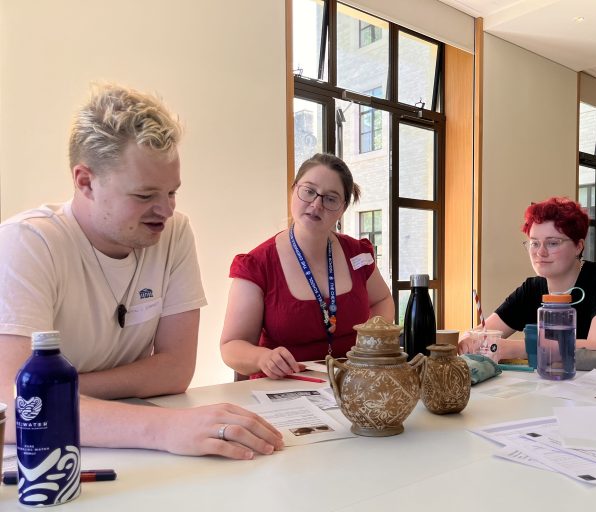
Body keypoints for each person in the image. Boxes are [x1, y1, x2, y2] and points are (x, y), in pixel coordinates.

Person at [0, 84, 283, 459]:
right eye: (145, 195)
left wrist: (59, 390)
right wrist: (166, 427)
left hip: (118, 443)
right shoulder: (28, 242)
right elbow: (17, 401)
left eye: (172, 192)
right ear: (85, 182)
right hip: (47, 456)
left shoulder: (174, 232)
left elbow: (176, 370)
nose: (165, 211)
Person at [220, 153, 395, 379]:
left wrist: (371, 341)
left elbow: (382, 300)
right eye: (309, 191)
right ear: (293, 190)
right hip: (285, 390)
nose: (316, 204)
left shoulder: (358, 254)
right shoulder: (257, 264)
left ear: (342, 208)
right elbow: (232, 346)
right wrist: (261, 358)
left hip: (353, 384)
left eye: (330, 199)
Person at [458, 197, 596, 362]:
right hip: (564, 386)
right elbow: (483, 333)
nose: (540, 252)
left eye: (552, 243)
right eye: (534, 243)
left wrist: (516, 349)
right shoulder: (531, 289)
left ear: (578, 246)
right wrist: (468, 340)